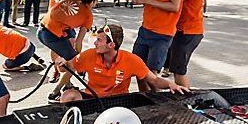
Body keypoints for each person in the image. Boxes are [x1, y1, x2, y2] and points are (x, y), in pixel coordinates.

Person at [59, 22, 187, 102]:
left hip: (119, 101)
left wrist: (171, 85)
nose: (95, 43)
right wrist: (61, 63)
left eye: (99, 40)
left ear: (111, 45)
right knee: (68, 95)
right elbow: (66, 67)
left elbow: (154, 80)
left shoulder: (131, 60)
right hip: (93, 98)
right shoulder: (88, 55)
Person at [38, 0, 99, 100]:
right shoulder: (88, 16)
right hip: (52, 36)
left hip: (42, 30)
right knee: (73, 64)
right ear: (93, 1)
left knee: (69, 57)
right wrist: (78, 58)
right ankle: (55, 92)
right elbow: (78, 42)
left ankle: (67, 85)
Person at [168, 0, 208, 88]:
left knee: (179, 71)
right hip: (183, 30)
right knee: (175, 68)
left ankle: (186, 101)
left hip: (188, 32)